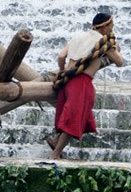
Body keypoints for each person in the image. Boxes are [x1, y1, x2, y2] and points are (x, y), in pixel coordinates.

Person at [48, 11, 124, 159]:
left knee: (75, 116)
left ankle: (56, 141)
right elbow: (120, 62)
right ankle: (55, 155)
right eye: (111, 26)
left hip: (67, 81)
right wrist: (115, 49)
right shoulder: (104, 43)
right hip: (81, 82)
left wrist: (62, 71)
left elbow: (61, 56)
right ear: (104, 27)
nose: (113, 28)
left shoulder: (78, 37)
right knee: (74, 118)